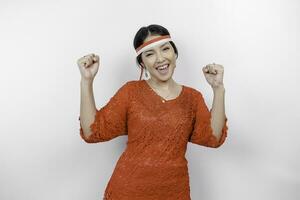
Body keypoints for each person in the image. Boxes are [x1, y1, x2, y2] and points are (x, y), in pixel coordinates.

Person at [77, 24, 228, 200]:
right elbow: (92, 132)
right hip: (127, 191)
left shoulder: (192, 98)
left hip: (174, 192)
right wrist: (86, 81)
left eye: (165, 49)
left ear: (175, 53)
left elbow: (213, 138)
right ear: (142, 62)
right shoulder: (130, 92)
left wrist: (218, 89)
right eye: (150, 54)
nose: (160, 58)